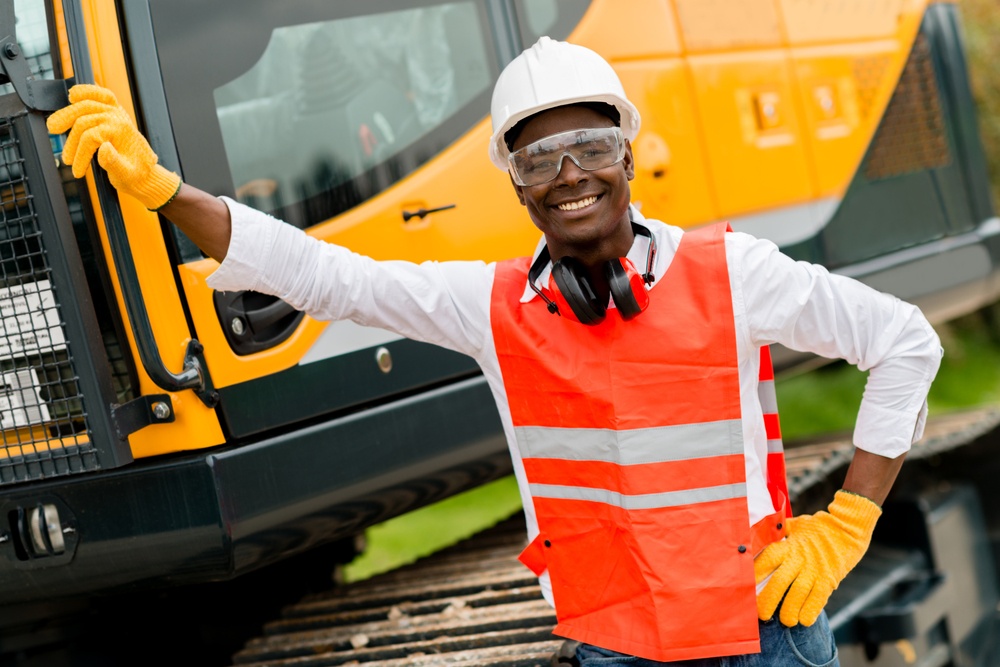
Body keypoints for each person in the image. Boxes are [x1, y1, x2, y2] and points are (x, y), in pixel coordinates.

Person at [47, 37, 940, 666]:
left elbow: (904, 342)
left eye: (591, 145)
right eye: (539, 157)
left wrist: (848, 522)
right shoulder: (492, 305)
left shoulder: (733, 272)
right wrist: (166, 190)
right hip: (616, 644)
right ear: (513, 181)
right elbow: (324, 276)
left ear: (628, 153)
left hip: (764, 634)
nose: (570, 174)